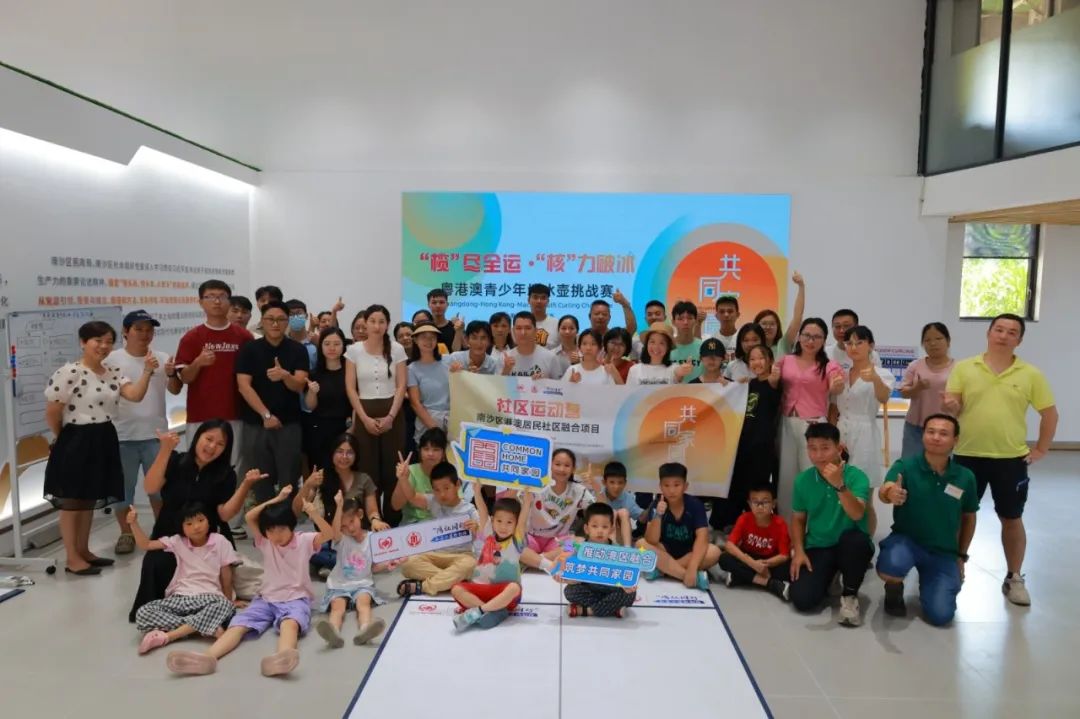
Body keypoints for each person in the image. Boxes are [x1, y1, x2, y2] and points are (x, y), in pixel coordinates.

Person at [943, 313, 1057, 606]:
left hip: (1010, 460)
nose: (1004, 336)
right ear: (989, 333)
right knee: (959, 514)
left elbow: (1049, 414)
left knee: (1011, 517)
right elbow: (952, 408)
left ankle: (1014, 577)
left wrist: (1041, 449)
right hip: (966, 457)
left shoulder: (1031, 374)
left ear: (1019, 340)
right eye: (999, 330)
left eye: (1012, 332)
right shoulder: (965, 368)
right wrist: (951, 406)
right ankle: (954, 566)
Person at [165, 485, 333, 677]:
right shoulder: (266, 542)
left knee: (290, 624)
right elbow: (250, 516)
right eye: (270, 530)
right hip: (265, 598)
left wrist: (314, 515)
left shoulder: (304, 540)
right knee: (238, 625)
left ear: (291, 526)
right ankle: (207, 658)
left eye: (281, 529)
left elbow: (329, 534)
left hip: (295, 598)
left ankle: (283, 657)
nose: (276, 535)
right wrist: (277, 499)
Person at [44, 321, 158, 575]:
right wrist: (64, 439)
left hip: (104, 436)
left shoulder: (112, 371)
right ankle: (72, 558)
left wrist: (148, 372)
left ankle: (84, 551)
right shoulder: (70, 372)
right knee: (71, 501)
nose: (104, 346)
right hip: (75, 438)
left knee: (88, 498)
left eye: (108, 341)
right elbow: (52, 411)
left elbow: (135, 395)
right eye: (98, 340)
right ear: (83, 342)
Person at [129, 422, 262, 621]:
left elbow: (224, 514)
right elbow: (150, 487)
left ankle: (205, 609)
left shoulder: (226, 474)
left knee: (208, 571)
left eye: (220, 444)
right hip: (170, 531)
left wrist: (245, 486)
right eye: (208, 439)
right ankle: (165, 612)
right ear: (197, 437)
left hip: (207, 537)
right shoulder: (175, 460)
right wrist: (165, 450)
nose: (212, 447)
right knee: (157, 563)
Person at [876, 414, 977, 626]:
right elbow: (886, 489)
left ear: (955, 440)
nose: (936, 437)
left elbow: (969, 517)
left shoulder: (965, 476)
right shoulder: (906, 466)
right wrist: (890, 493)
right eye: (930, 432)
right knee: (891, 566)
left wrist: (961, 555)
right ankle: (894, 588)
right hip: (908, 542)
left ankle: (933, 585)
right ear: (923, 436)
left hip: (943, 550)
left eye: (943, 433)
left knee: (941, 615)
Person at [105, 310, 181, 554]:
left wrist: (172, 373)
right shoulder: (111, 360)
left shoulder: (162, 358)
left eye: (149, 329)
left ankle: (162, 531)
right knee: (122, 492)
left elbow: (175, 389)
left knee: (159, 489)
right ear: (125, 332)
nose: (145, 334)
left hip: (156, 436)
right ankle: (126, 533)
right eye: (138, 329)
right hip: (122, 435)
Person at [789, 423, 874, 627]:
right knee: (802, 599)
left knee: (856, 542)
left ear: (839, 448)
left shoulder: (856, 476)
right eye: (812, 448)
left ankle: (850, 595)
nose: (818, 455)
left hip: (850, 543)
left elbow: (857, 514)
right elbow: (798, 519)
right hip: (819, 545)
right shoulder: (802, 480)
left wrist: (839, 485)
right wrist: (799, 551)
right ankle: (831, 575)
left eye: (825, 448)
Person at [130, 502, 240, 654]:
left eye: (201, 520)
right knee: (143, 612)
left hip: (210, 598)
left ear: (209, 521)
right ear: (181, 527)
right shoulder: (177, 541)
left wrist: (229, 600)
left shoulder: (220, 541)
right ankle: (206, 627)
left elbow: (226, 574)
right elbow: (146, 544)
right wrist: (133, 523)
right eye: (189, 523)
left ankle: (169, 636)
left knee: (225, 605)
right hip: (181, 597)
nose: (196, 527)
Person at [236, 300, 310, 503]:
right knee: (260, 480)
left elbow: (299, 385)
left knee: (289, 479)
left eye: (280, 319)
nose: (275, 324)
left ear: (287, 322)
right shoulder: (249, 349)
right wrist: (266, 415)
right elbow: (243, 385)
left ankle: (287, 519)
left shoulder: (298, 350)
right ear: (262, 321)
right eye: (270, 319)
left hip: (289, 424)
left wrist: (285, 375)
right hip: (256, 423)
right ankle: (264, 519)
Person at [176, 279, 253, 466]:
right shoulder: (191, 337)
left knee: (232, 468)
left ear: (229, 301)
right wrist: (198, 363)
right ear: (201, 302)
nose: (217, 301)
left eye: (222, 297)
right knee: (199, 467)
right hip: (201, 415)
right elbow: (185, 377)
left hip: (236, 414)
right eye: (210, 297)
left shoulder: (244, 337)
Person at [345, 304, 408, 525]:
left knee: (393, 468)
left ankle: (393, 519)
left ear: (387, 324)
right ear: (365, 323)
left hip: (393, 414)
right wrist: (363, 418)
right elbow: (351, 388)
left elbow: (401, 385)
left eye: (381, 322)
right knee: (367, 468)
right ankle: (369, 521)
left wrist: (390, 417)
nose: (377, 326)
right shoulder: (354, 350)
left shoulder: (397, 349)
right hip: (365, 414)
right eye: (372, 321)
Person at [775, 318, 844, 516]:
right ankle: (787, 525)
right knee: (786, 476)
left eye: (816, 337)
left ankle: (814, 524)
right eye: (806, 335)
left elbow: (836, 384)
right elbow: (770, 379)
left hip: (813, 426)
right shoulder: (786, 360)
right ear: (799, 336)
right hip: (786, 422)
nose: (810, 341)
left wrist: (836, 385)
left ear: (824, 340)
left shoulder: (829, 365)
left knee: (812, 474)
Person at [292, 433, 388, 575]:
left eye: (349, 452)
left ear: (356, 456)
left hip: (356, 537)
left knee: (376, 546)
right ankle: (352, 564)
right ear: (332, 453)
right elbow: (296, 510)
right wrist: (307, 484)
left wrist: (376, 520)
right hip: (331, 539)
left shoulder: (364, 479)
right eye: (340, 451)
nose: (344, 457)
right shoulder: (320, 477)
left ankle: (334, 565)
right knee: (307, 547)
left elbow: (372, 510)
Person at [710, 345, 781, 532]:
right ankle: (729, 526)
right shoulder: (749, 384)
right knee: (735, 486)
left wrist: (774, 378)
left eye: (761, 358)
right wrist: (730, 385)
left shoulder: (773, 382)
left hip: (762, 447)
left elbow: (774, 384)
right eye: (752, 359)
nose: (757, 362)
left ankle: (757, 528)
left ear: (770, 360)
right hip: (741, 444)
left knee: (757, 488)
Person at [312, 495, 396, 648]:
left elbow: (372, 567)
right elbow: (334, 530)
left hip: (362, 583)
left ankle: (365, 629)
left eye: (352, 521)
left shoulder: (372, 539)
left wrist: (387, 564)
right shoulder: (341, 539)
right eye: (344, 526)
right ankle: (333, 632)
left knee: (363, 604)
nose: (350, 528)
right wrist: (338, 507)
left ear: (360, 515)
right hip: (339, 583)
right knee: (337, 607)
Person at [832, 326, 894, 533]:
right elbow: (833, 405)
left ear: (871, 345)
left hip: (865, 435)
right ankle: (840, 540)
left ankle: (866, 542)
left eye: (859, 342)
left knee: (863, 495)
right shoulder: (841, 374)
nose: (854, 347)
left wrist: (874, 379)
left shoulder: (882, 373)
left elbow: (884, 398)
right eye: (849, 343)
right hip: (841, 433)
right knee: (839, 490)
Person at [395, 461, 481, 598]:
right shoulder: (433, 502)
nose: (442, 494)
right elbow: (412, 497)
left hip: (461, 555)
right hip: (435, 555)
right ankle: (453, 581)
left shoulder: (470, 510)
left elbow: (484, 536)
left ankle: (423, 586)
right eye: (437, 490)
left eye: (446, 488)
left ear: (457, 484)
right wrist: (404, 479)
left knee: (470, 564)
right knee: (407, 563)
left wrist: (476, 529)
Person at [450, 491, 533, 632]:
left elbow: (523, 520)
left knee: (514, 588)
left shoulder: (516, 540)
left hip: (505, 595)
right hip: (482, 590)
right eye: (499, 521)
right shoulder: (488, 533)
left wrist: (527, 500)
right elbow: (482, 511)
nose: (503, 527)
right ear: (493, 521)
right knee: (456, 589)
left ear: (516, 524)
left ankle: (479, 611)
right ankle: (494, 612)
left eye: (509, 522)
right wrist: (477, 491)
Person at [641, 462, 721, 590]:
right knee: (641, 545)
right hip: (665, 550)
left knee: (715, 552)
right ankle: (687, 576)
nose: (671, 490)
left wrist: (693, 566)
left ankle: (662, 571)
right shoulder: (657, 504)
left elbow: (702, 538)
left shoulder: (695, 505)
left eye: (676, 485)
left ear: (685, 486)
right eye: (666, 485)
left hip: (689, 552)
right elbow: (651, 540)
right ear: (660, 486)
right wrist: (658, 515)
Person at [523, 448, 602, 565]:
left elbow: (601, 511)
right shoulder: (536, 484)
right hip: (532, 538)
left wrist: (596, 486)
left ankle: (536, 560)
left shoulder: (578, 491)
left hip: (559, 541)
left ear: (573, 469)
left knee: (578, 543)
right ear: (550, 465)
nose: (561, 469)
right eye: (557, 464)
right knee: (513, 543)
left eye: (567, 465)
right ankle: (546, 563)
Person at [716, 482, 791, 602]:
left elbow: (784, 555)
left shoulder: (780, 523)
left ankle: (741, 578)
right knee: (724, 558)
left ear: (773, 504)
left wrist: (765, 564)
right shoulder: (744, 518)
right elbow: (729, 545)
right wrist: (752, 564)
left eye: (765, 502)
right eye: (755, 502)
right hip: (748, 558)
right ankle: (769, 584)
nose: (760, 507)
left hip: (770, 561)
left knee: (787, 569)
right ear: (749, 504)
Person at [561, 503, 638, 618]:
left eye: (605, 527)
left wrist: (625, 585)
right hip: (590, 589)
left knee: (630, 594)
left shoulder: (616, 551)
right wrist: (567, 578)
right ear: (587, 529)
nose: (600, 531)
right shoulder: (579, 549)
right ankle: (611, 608)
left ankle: (587, 611)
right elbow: (571, 575)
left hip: (611, 590)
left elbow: (623, 575)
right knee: (570, 591)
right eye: (595, 526)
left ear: (611, 529)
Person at [899, 322, 955, 459]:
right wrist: (917, 388)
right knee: (911, 464)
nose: (933, 343)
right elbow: (903, 393)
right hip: (916, 427)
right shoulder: (915, 366)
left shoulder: (958, 368)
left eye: (938, 339)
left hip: (945, 427)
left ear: (948, 341)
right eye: (927, 340)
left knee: (941, 465)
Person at [303, 327, 352, 473]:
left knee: (343, 471)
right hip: (319, 429)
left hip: (345, 428)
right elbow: (310, 406)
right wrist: (312, 392)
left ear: (343, 346)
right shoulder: (314, 373)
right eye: (327, 343)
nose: (332, 348)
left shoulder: (350, 373)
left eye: (336, 344)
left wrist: (352, 428)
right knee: (320, 471)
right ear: (321, 346)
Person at [391, 427, 449, 525]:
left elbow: (457, 504)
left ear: (443, 453)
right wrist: (403, 479)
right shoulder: (409, 471)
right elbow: (396, 506)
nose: (430, 454)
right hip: (413, 525)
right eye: (426, 449)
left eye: (436, 450)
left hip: (443, 525)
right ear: (420, 450)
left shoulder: (449, 472)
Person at [407, 325, 451, 443]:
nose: (429, 341)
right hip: (427, 421)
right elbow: (415, 403)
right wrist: (435, 429)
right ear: (415, 340)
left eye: (432, 337)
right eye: (424, 337)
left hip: (452, 420)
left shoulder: (448, 360)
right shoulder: (411, 369)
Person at [752, 271, 805, 357]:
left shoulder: (783, 344)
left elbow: (798, 317)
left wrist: (801, 286)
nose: (768, 327)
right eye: (764, 323)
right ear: (756, 325)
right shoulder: (750, 347)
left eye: (772, 324)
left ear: (778, 327)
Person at [625, 323, 693, 385]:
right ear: (647, 344)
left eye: (662, 343)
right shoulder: (634, 370)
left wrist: (681, 372)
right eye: (652, 342)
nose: (656, 347)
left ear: (668, 347)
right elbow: (629, 393)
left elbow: (678, 375)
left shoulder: (674, 369)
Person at [502, 312, 561, 378]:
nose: (523, 333)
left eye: (528, 328)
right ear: (513, 331)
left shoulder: (550, 358)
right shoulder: (504, 358)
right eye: (518, 328)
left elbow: (559, 384)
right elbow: (496, 384)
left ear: (536, 331)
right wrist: (505, 371)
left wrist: (545, 381)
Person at [598, 461, 642, 546]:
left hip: (621, 539)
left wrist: (654, 507)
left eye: (620, 482)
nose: (616, 487)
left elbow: (641, 516)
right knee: (612, 512)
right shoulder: (598, 495)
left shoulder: (628, 498)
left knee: (623, 512)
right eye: (612, 482)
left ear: (625, 483)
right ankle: (611, 545)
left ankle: (627, 548)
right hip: (600, 537)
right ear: (604, 482)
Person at [670, 300, 704, 382]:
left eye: (690, 318)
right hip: (672, 390)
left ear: (695, 320)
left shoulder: (703, 347)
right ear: (673, 322)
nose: (685, 322)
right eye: (680, 319)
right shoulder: (666, 347)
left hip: (699, 390)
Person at [528, 283, 561, 349]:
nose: (539, 301)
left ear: (548, 301)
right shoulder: (519, 323)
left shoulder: (557, 324)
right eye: (535, 297)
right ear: (528, 300)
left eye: (543, 298)